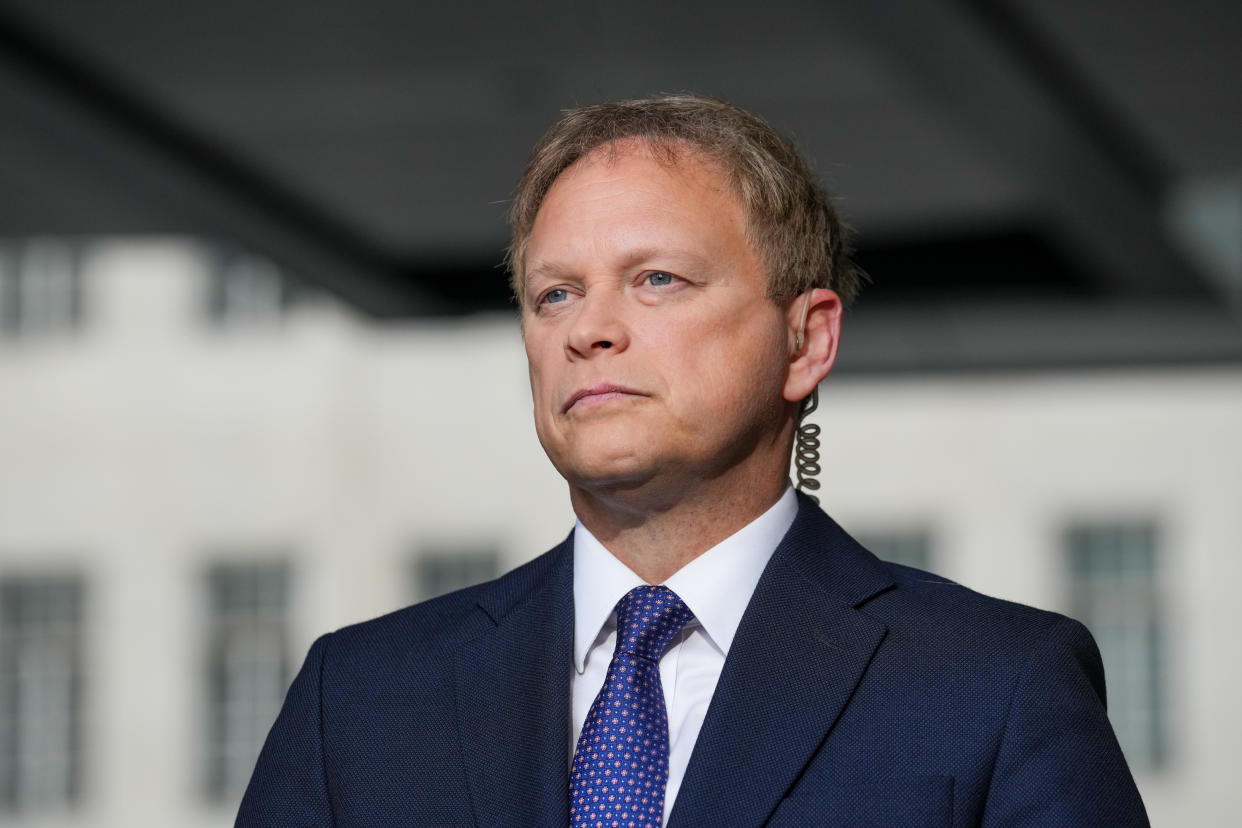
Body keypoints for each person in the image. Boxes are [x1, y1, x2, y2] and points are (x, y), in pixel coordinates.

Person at [237, 95, 1148, 827]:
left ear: (806, 341)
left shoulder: (992, 687)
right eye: (554, 294)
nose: (589, 329)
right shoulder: (359, 702)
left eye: (657, 280)